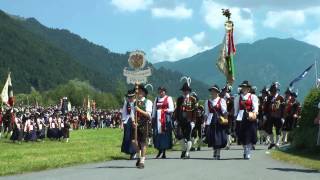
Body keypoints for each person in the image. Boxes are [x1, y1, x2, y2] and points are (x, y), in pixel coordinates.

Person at [234, 81, 259, 159]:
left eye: (246, 88)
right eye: (243, 87)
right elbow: (236, 109)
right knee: (242, 134)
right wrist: (235, 117)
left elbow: (255, 107)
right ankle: (245, 149)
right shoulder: (238, 97)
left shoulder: (253, 97)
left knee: (250, 134)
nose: (244, 89)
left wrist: (254, 114)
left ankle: (248, 151)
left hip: (250, 116)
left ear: (249, 89)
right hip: (241, 117)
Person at [132, 84, 153, 169]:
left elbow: (148, 115)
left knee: (143, 142)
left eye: (141, 91)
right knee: (134, 141)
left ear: (144, 93)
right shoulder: (135, 102)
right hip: (136, 124)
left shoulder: (148, 102)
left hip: (145, 123)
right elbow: (132, 113)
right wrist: (133, 121)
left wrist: (139, 109)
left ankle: (142, 161)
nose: (139, 93)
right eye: (138, 91)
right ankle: (139, 156)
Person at [174, 82, 197, 159]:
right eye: (184, 90)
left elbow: (195, 111)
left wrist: (193, 121)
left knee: (188, 137)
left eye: (186, 90)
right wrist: (176, 119)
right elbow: (177, 110)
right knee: (179, 135)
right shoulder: (179, 99)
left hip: (189, 121)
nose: (185, 91)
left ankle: (187, 152)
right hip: (180, 120)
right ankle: (183, 149)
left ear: (189, 91)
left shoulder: (192, 99)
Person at [205, 85, 228, 159]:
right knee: (212, 136)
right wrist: (204, 122)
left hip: (219, 120)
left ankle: (218, 152)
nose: (213, 92)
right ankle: (215, 150)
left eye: (214, 91)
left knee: (219, 137)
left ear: (217, 92)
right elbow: (206, 113)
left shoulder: (221, 100)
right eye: (212, 91)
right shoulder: (207, 101)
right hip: (210, 120)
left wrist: (225, 119)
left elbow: (224, 111)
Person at [152, 86, 174, 159]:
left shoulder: (168, 98)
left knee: (165, 134)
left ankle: (164, 151)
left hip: (165, 118)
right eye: (160, 91)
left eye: (162, 91)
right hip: (157, 119)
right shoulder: (156, 99)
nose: (161, 92)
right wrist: (152, 118)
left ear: (165, 91)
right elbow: (154, 109)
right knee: (157, 134)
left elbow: (172, 109)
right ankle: (159, 149)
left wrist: (164, 110)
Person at [265, 82, 285, 149]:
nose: (272, 92)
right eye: (272, 91)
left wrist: (283, 117)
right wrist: (265, 114)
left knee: (278, 130)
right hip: (270, 116)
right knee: (269, 129)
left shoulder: (281, 98)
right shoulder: (269, 97)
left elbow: (283, 108)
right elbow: (266, 106)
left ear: (276, 91)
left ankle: (277, 143)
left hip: (278, 116)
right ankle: (272, 142)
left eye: (274, 90)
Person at [121, 89, 137, 160]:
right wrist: (122, 122)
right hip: (127, 120)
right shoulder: (126, 103)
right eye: (129, 97)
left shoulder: (136, 103)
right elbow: (124, 112)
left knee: (134, 137)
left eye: (131, 97)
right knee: (127, 136)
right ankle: (129, 151)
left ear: (134, 96)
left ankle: (134, 152)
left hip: (134, 120)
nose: (130, 98)